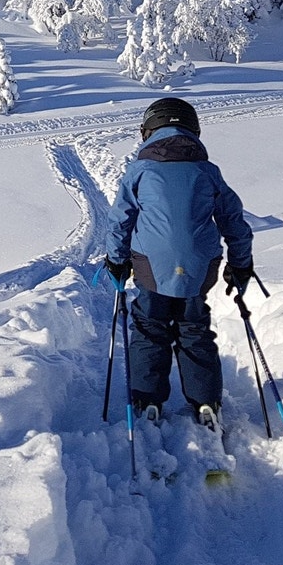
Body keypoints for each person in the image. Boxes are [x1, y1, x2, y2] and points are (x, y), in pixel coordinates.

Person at [101, 97, 253, 431]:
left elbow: (120, 220)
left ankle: (148, 399)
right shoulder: (207, 171)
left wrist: (116, 259)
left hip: (150, 264)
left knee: (149, 326)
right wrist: (240, 264)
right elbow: (234, 222)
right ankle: (206, 403)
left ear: (148, 131)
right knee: (194, 327)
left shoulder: (140, 170)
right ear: (193, 130)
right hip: (200, 265)